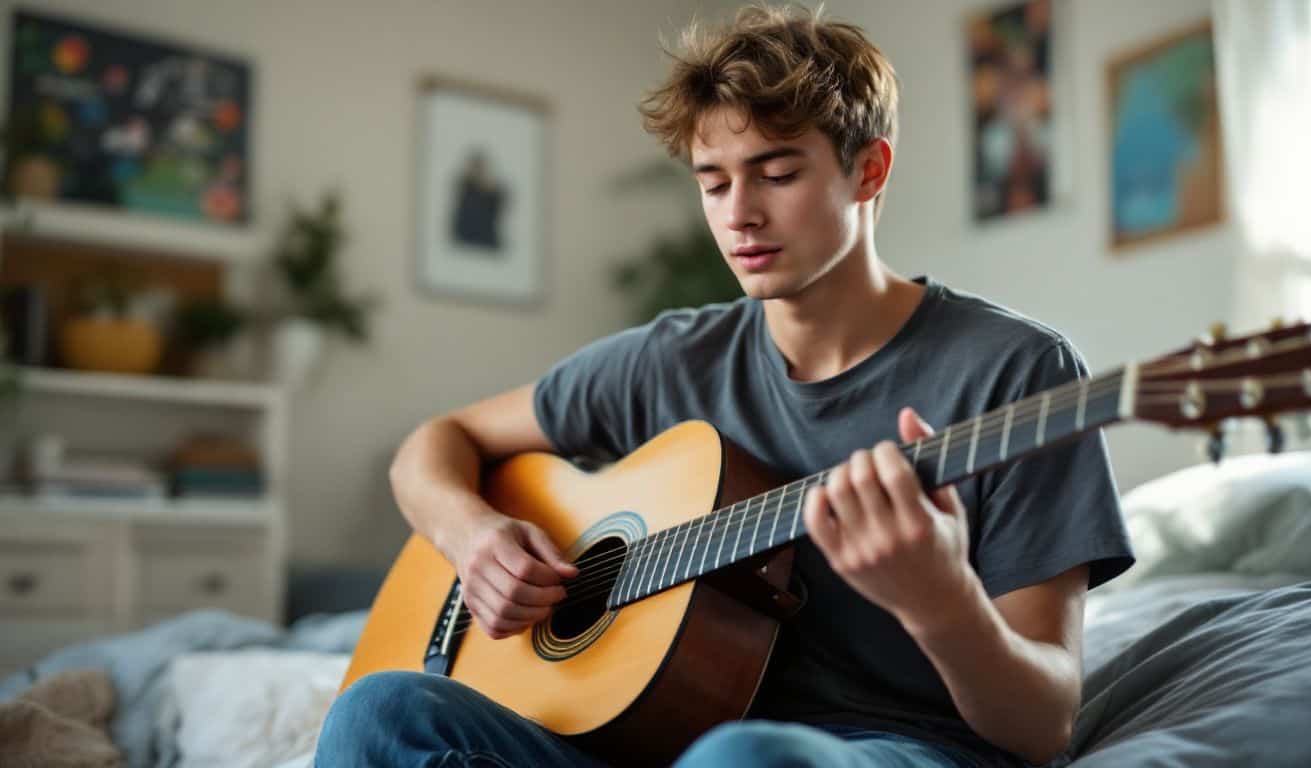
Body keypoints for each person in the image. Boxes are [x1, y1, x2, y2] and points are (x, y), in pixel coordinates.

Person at [315, 4, 1133, 767]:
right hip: (656, 738)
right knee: (378, 712)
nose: (738, 214)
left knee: (741, 760)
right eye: (713, 182)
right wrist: (473, 536)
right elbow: (433, 446)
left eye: (776, 174)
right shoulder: (673, 357)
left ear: (869, 170)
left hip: (887, 748)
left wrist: (942, 600)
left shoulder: (1017, 372)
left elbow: (1045, 725)